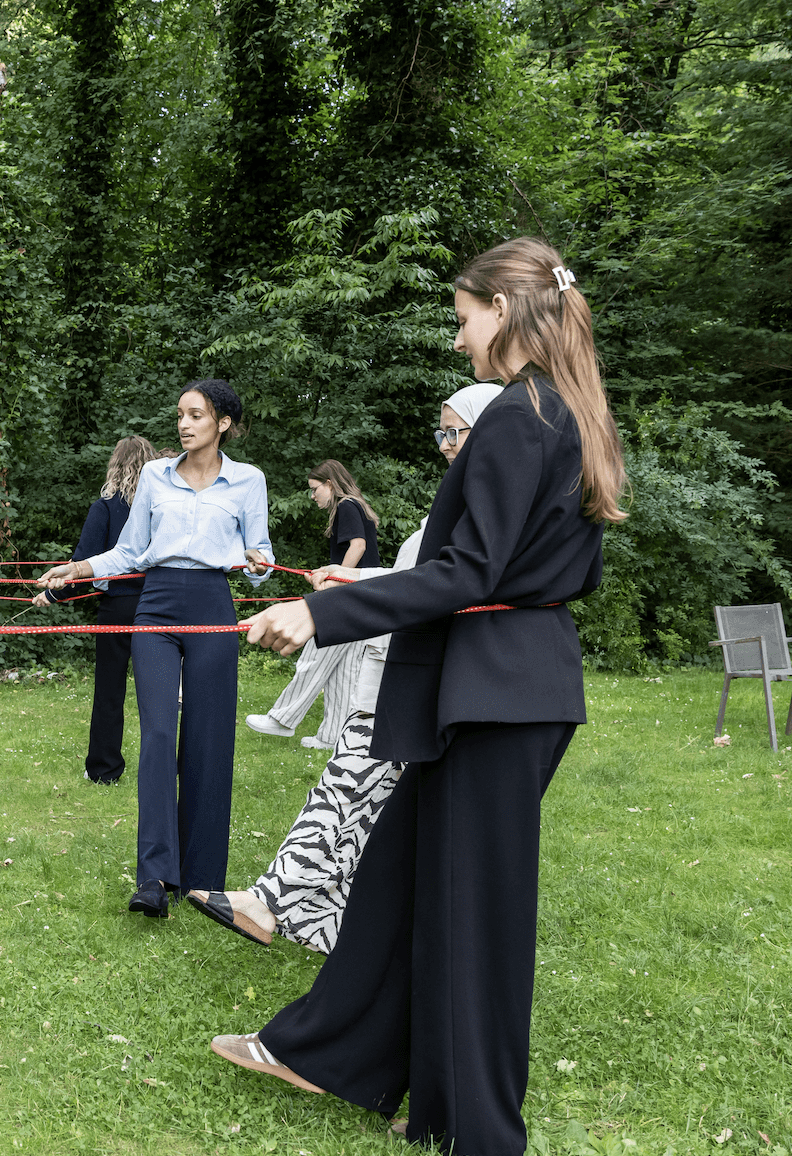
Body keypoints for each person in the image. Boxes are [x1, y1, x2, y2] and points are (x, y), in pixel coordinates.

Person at [218, 239, 622, 1156]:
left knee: (475, 912)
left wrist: (321, 614)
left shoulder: (523, 416)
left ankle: (475, 1130)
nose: (458, 339)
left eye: (465, 318)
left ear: (507, 314)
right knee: (399, 873)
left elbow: (468, 571)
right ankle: (329, 1055)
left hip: (500, 693)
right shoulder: (562, 412)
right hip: (507, 681)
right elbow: (510, 572)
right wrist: (351, 592)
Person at [188, 384, 503, 951]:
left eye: (455, 432)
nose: (445, 446)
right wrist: (348, 581)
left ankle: (271, 902)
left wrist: (332, 601)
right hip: (400, 664)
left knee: (347, 787)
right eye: (442, 433)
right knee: (362, 801)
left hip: (421, 674)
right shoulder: (460, 502)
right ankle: (329, 924)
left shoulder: (485, 508)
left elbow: (445, 586)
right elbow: (420, 581)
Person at [35, 380, 272, 920]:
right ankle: (154, 876)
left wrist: (258, 563)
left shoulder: (248, 481)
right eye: (181, 415)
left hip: (213, 605)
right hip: (157, 605)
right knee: (160, 733)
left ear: (223, 423)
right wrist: (78, 569)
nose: (184, 424)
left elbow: (259, 553)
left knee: (210, 738)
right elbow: (129, 551)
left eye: (196, 415)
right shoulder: (153, 478)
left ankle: (204, 878)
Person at [32, 435, 158, 784]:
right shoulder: (162, 507)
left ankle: (104, 770)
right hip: (159, 606)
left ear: (115, 465)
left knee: (110, 689)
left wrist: (53, 595)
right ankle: (164, 769)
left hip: (119, 608)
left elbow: (83, 564)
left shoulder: (105, 507)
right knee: (160, 692)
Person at [245, 460, 382, 751]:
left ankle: (282, 719)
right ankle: (332, 736)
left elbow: (358, 546)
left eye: (315, 489)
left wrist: (335, 579)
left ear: (330, 484)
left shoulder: (345, 506)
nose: (313, 496)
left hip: (350, 594)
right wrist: (326, 572)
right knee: (344, 669)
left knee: (316, 653)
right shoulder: (355, 505)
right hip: (365, 594)